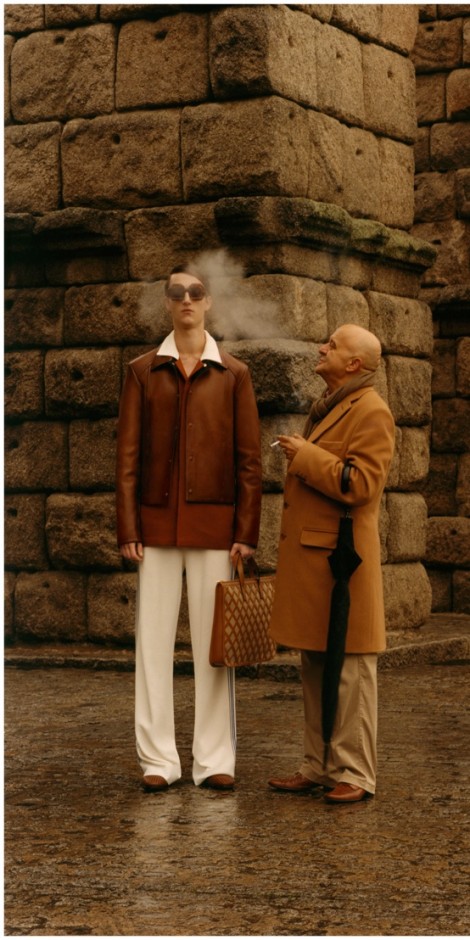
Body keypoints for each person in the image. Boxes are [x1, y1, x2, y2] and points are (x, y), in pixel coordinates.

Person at [116, 263, 262, 792]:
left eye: (195, 292)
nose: (186, 300)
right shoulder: (141, 371)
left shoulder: (234, 374)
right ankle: (158, 761)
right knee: (151, 645)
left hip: (215, 528)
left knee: (214, 647)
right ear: (167, 302)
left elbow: (250, 462)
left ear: (208, 301)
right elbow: (127, 457)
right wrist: (128, 525)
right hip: (154, 527)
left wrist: (246, 530)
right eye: (176, 292)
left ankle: (214, 759)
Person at [268, 324, 395, 803]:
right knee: (316, 664)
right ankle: (318, 766)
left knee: (352, 669)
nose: (322, 348)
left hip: (345, 566)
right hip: (318, 563)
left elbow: (361, 485)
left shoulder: (372, 411)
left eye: (333, 345)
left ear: (354, 364)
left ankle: (355, 773)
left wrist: (306, 456)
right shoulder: (332, 404)